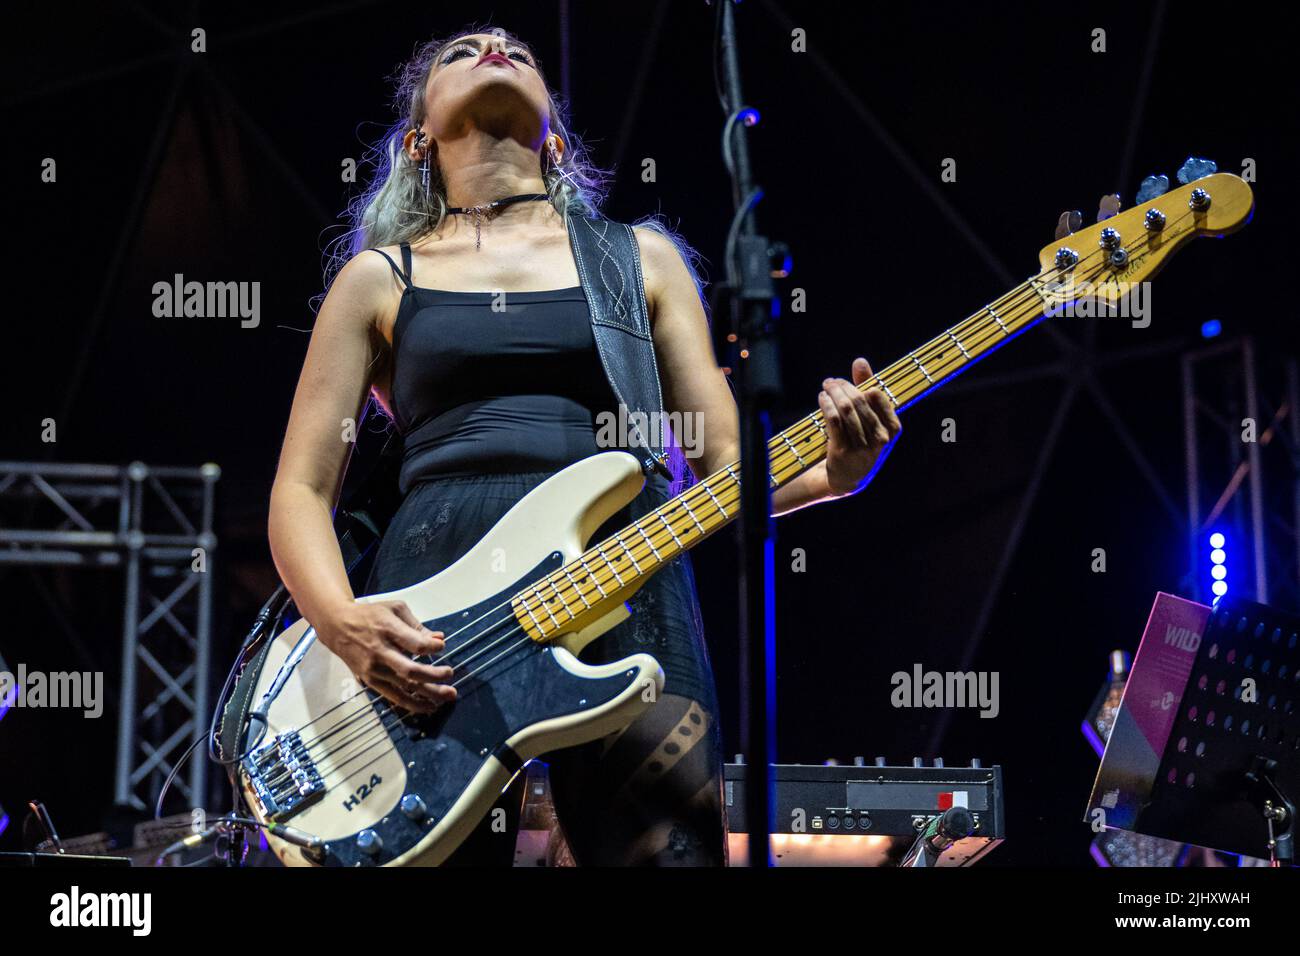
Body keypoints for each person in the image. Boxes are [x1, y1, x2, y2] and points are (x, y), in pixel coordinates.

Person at [267, 26, 901, 866]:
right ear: (417, 137)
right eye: (463, 50)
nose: (494, 43)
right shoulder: (381, 278)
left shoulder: (640, 260)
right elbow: (301, 489)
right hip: (438, 608)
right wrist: (341, 621)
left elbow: (723, 472)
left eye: (515, 48)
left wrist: (835, 475)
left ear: (556, 138)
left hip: (625, 579)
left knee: (669, 854)